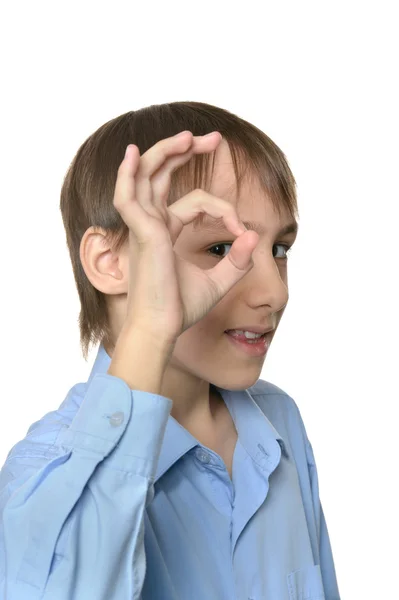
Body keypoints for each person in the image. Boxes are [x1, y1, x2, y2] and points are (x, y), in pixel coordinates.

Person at [0, 101, 341, 599]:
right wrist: (151, 327)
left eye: (280, 250)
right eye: (220, 248)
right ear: (110, 263)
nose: (276, 293)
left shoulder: (278, 423)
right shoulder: (43, 471)